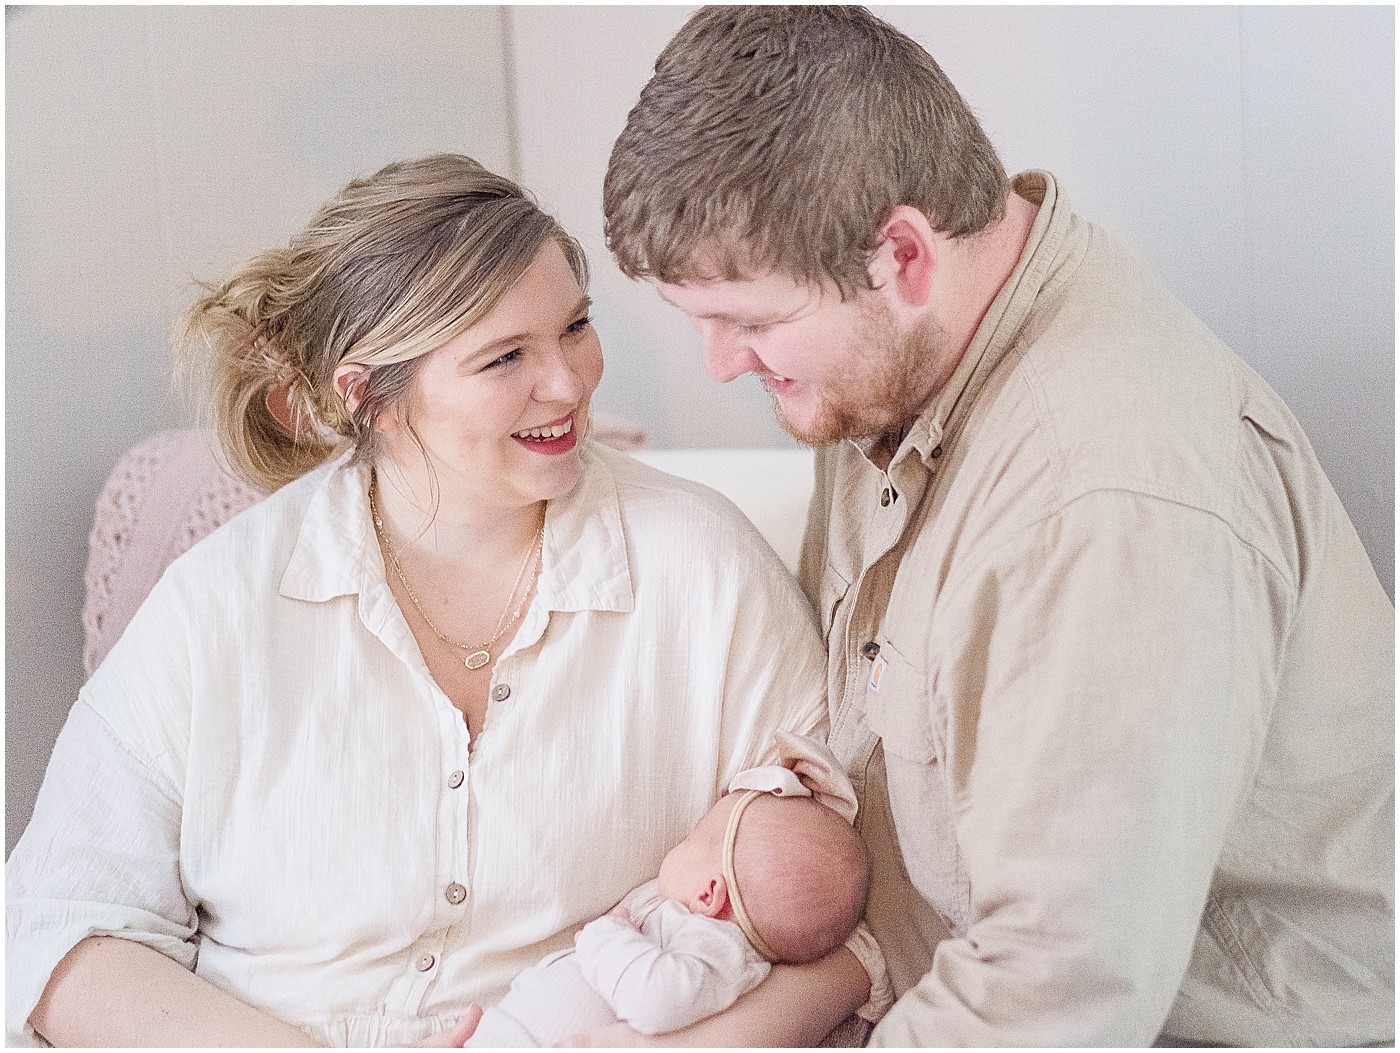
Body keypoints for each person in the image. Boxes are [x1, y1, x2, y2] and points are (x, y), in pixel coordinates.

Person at [602, 6, 1394, 1047]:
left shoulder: (1102, 502)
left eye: (750, 321)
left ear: (901, 253)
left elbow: (1057, 995)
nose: (717, 364)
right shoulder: (898, 365)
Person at [6, 154, 888, 1047]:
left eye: (575, 327)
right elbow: (56, 929)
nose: (570, 383)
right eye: (505, 357)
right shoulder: (220, 604)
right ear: (369, 398)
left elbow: (857, 923)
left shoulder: (703, 571)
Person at [466, 732, 871, 1046]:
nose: (683, 841)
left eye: (695, 836)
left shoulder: (715, 948)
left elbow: (654, 1001)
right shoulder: (704, 937)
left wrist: (608, 933)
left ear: (710, 894)